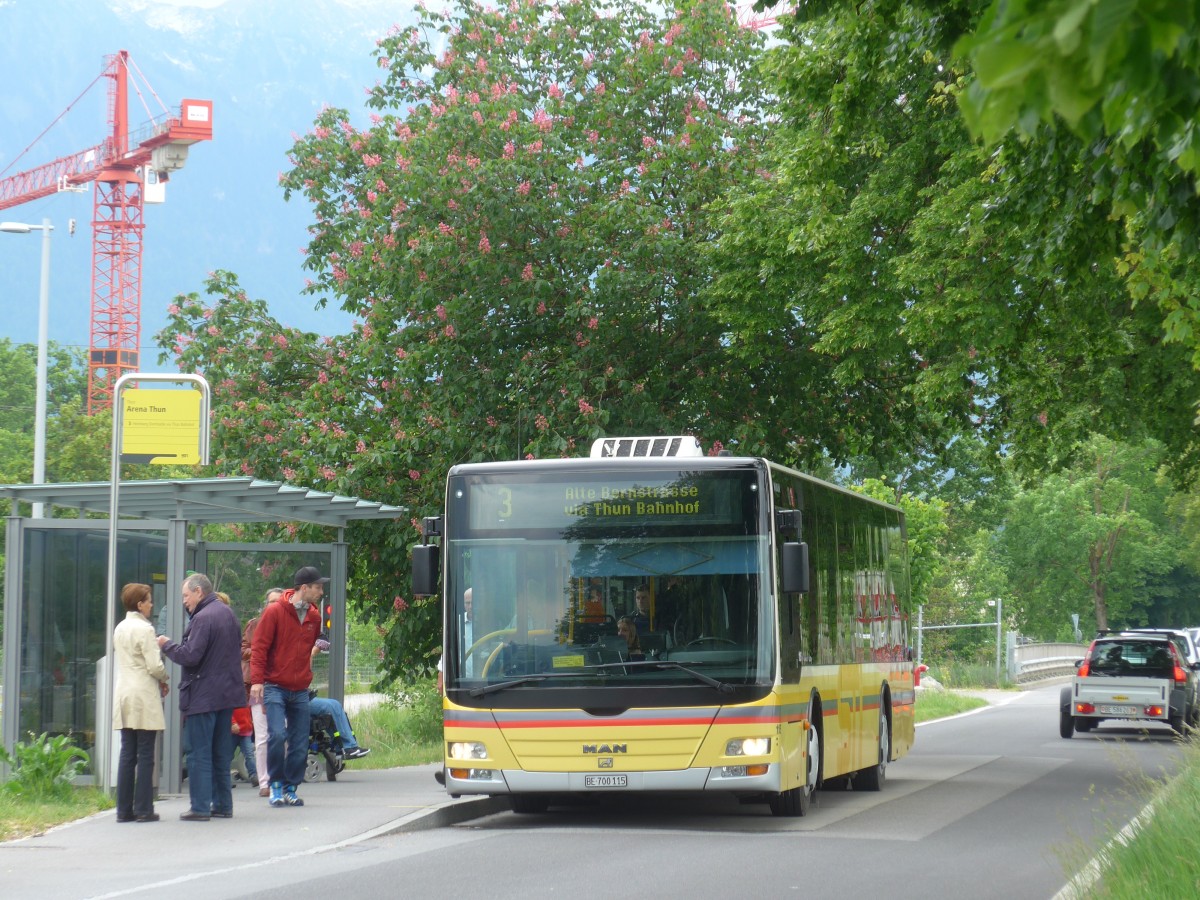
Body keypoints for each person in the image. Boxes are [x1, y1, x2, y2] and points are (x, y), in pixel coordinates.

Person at [157, 572, 245, 821]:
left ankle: (200, 807)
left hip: (203, 695)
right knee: (220, 752)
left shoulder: (203, 618)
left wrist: (166, 644)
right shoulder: (227, 613)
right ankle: (223, 805)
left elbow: (190, 655)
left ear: (199, 591)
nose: (184, 601)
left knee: (198, 752)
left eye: (186, 595)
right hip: (226, 695)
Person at [250, 566, 328, 808]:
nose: (321, 591)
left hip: (300, 688)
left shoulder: (314, 617)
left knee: (299, 741)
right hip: (274, 685)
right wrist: (256, 681)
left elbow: (310, 646)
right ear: (304, 588)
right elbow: (259, 648)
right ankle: (275, 785)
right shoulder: (275, 612)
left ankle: (290, 787)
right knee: (276, 735)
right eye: (318, 587)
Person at [113, 582, 170, 823]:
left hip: (124, 690)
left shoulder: (120, 627)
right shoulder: (145, 630)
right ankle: (144, 808)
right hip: (143, 693)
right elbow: (154, 666)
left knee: (128, 752)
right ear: (140, 604)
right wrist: (165, 678)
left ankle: (123, 809)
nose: (151, 604)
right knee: (146, 752)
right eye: (148, 600)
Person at [242, 587, 283, 798]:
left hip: (283, 686)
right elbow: (244, 649)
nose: (274, 605)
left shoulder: (289, 624)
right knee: (262, 738)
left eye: (278, 601)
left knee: (280, 734)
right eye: (271, 602)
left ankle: (279, 778)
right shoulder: (254, 625)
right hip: (259, 686)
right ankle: (264, 782)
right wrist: (260, 652)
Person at [230, 705, 258, 785]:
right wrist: (232, 723)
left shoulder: (246, 697)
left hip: (246, 731)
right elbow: (227, 711)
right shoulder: (231, 697)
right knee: (227, 756)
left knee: (249, 754)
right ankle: (225, 779)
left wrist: (251, 722)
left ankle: (253, 776)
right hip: (232, 732)